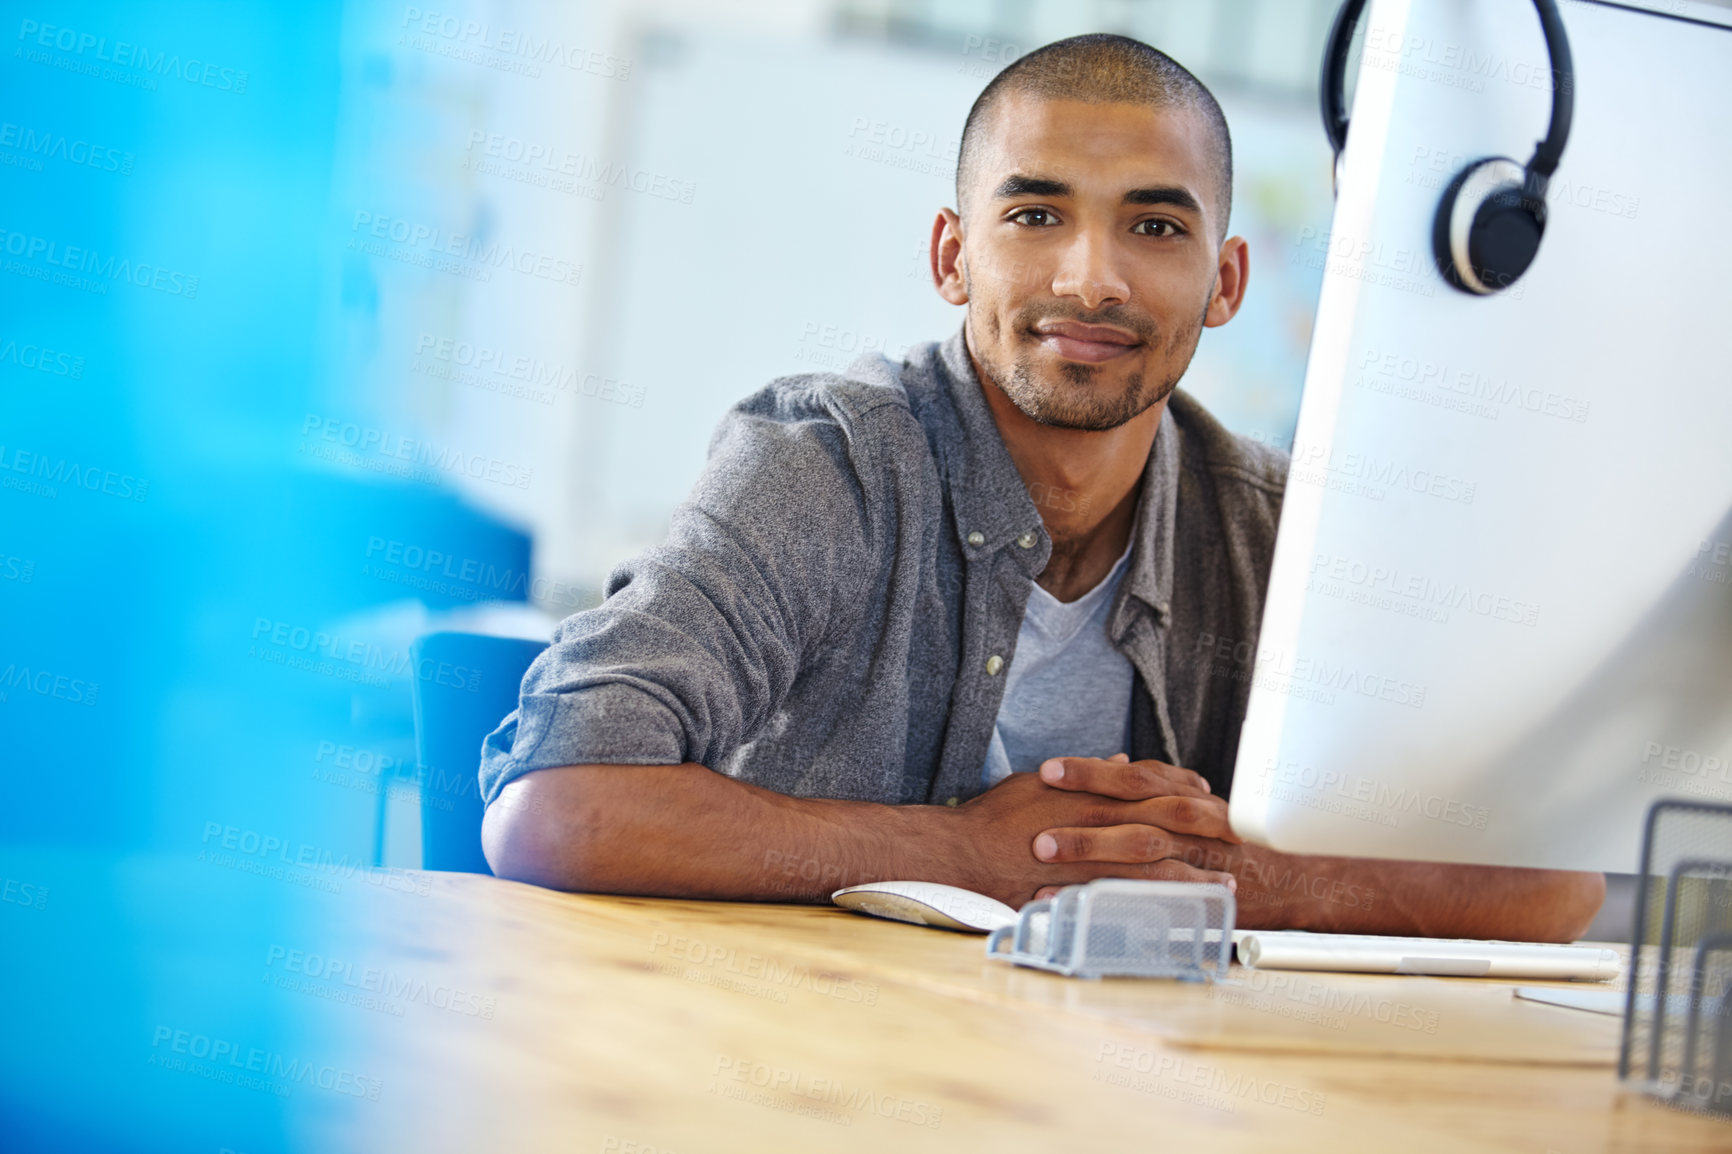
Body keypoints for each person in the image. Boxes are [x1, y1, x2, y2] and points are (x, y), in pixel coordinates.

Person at [478, 33, 1603, 940]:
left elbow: (1549, 882)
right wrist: (963, 854)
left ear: (1224, 281)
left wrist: (1217, 875)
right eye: (1035, 214)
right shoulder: (823, 468)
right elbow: (558, 801)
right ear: (951, 257)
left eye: (1154, 225)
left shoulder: (1279, 532)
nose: (1091, 278)